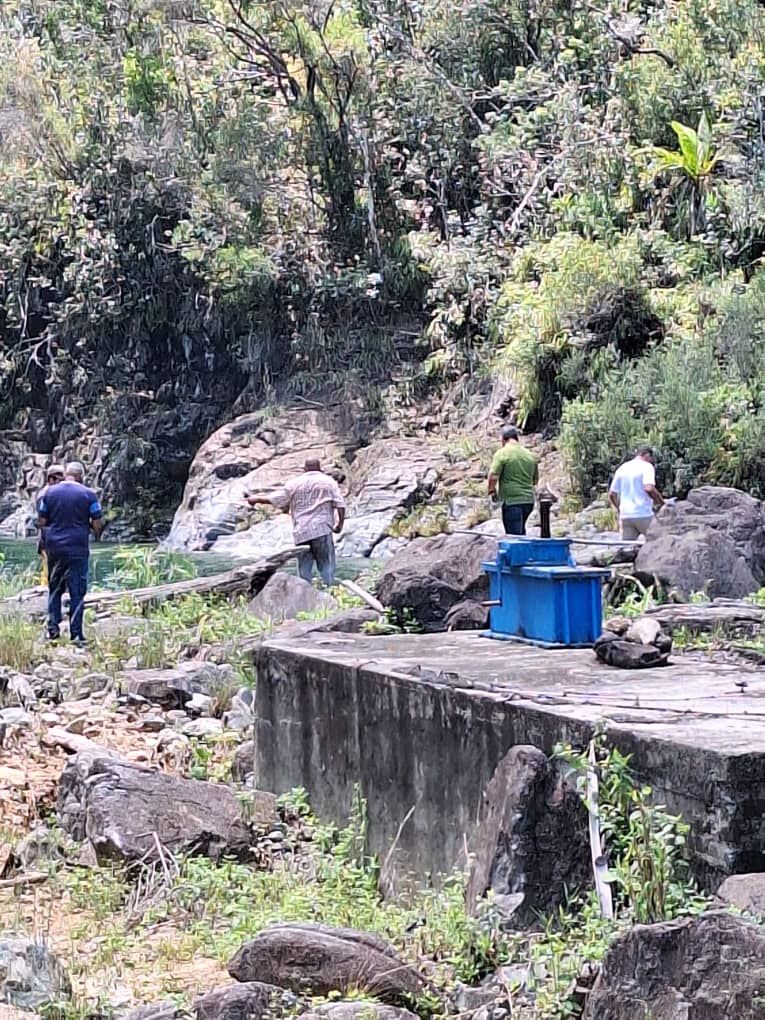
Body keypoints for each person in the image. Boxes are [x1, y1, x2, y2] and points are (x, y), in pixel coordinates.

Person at [245, 458, 345, 586]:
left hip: (301, 532)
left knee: (304, 570)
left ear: (304, 469)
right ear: (320, 468)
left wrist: (256, 499)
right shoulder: (329, 482)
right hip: (322, 529)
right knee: (327, 567)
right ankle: (330, 592)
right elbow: (340, 505)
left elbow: (277, 498)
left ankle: (304, 596)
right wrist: (339, 524)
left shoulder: (294, 483)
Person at [37, 461, 104, 644]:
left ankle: (53, 630)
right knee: (77, 591)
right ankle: (76, 635)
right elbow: (97, 523)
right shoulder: (89, 494)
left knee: (55, 589)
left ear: (66, 474)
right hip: (78, 547)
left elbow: (42, 521)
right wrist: (90, 529)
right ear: (81, 476)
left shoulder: (49, 492)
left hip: (55, 548)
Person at [487, 426, 539, 536]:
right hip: (528, 501)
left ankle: (520, 553)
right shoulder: (530, 455)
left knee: (514, 536)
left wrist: (491, 491)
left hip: (512, 501)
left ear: (503, 439)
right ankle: (525, 551)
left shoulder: (502, 453)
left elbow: (493, 476)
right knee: (521, 532)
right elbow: (535, 481)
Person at [608, 445, 665, 541]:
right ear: (646, 455)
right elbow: (649, 488)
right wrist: (661, 503)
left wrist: (619, 508)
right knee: (660, 542)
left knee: (627, 549)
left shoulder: (622, 468)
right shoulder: (647, 466)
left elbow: (612, 494)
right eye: (651, 457)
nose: (652, 460)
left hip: (626, 516)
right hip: (643, 514)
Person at [37, 464, 65, 587]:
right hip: (47, 539)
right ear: (50, 479)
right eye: (57, 478)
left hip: (57, 538)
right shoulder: (44, 495)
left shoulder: (54, 493)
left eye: (62, 478)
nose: (61, 481)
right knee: (48, 569)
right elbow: (43, 521)